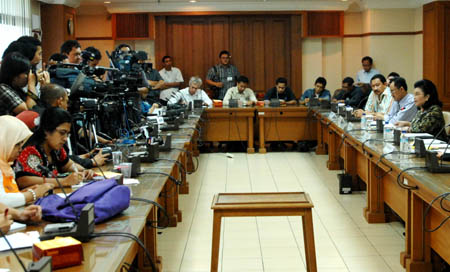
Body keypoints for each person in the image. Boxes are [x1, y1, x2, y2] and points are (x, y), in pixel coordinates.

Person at [15, 107, 95, 189]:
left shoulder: (56, 148)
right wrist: (63, 181)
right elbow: (24, 180)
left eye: (67, 134)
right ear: (46, 130)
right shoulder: (30, 150)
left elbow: (68, 165)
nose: (65, 138)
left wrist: (82, 171)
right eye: (62, 133)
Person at [34, 84, 110, 168]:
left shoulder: (45, 114)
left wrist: (84, 157)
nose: (68, 106)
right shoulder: (45, 120)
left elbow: (66, 161)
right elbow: (26, 179)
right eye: (67, 101)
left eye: (67, 134)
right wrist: (91, 162)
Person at [0, 116, 54, 208]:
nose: (20, 149)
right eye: (17, 144)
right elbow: (2, 201)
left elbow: (6, 195)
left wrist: (24, 192)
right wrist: (32, 194)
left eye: (21, 144)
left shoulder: (6, 166)